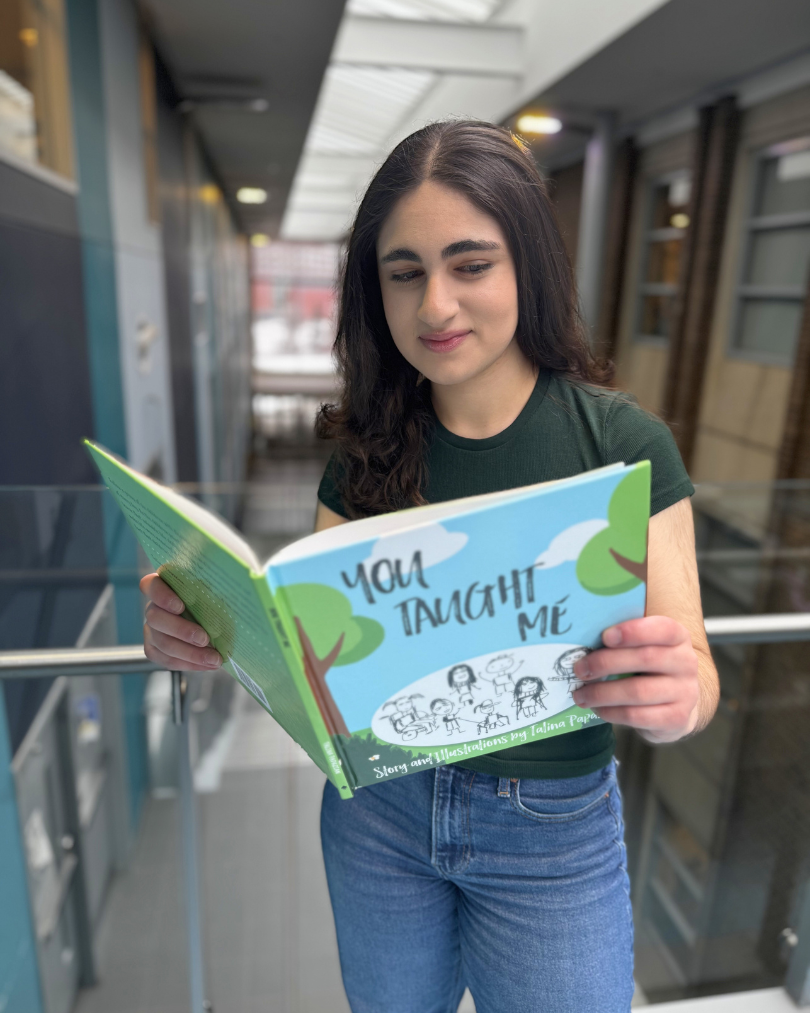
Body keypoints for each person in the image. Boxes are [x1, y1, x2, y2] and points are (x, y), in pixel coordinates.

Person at [139, 120, 719, 1013]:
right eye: (404, 272)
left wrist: (678, 695)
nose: (436, 305)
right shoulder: (363, 454)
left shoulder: (622, 448)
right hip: (380, 811)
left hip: (550, 825)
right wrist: (212, 630)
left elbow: (695, 674)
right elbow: (320, 660)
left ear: (529, 263)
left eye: (470, 263)